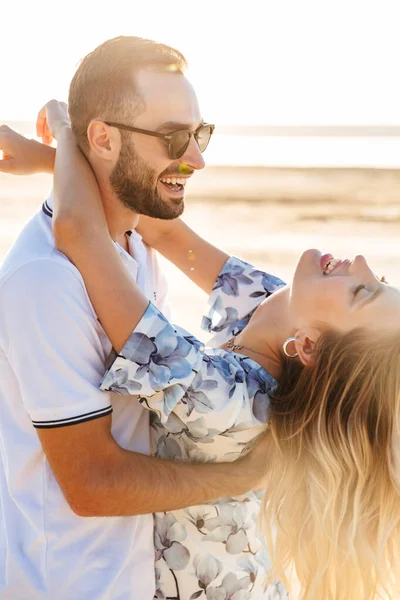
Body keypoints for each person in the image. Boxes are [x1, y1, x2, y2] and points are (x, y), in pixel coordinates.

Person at [33, 103, 400, 600]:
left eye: (360, 292)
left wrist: (65, 129)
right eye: (376, 280)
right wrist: (45, 157)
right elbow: (158, 227)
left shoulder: (225, 400)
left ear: (311, 345)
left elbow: (76, 231)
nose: (359, 262)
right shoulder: (275, 305)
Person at [0, 38, 270, 600]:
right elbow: (92, 483)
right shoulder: (47, 280)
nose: (196, 159)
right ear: (102, 138)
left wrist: (63, 138)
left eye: (200, 135)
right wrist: (239, 481)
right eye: (175, 137)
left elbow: (115, 191)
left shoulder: (133, 241)